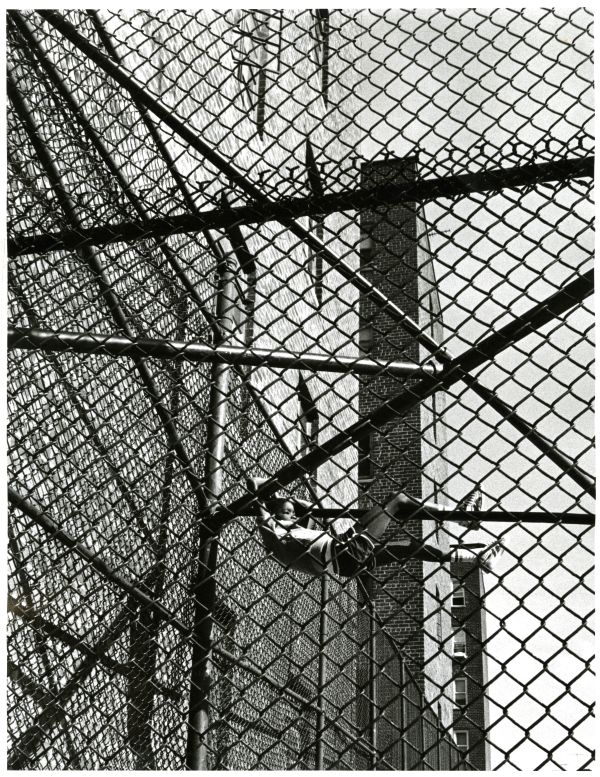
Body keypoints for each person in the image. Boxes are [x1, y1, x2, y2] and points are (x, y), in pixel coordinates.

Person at [248, 479, 503, 578]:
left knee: (410, 548)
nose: (293, 516)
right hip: (343, 551)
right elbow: (255, 486)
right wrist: (273, 499)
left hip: (345, 560)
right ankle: (460, 517)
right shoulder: (275, 534)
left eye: (293, 514)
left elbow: (309, 507)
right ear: (272, 515)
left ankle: (477, 558)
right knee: (397, 499)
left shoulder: (293, 534)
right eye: (287, 513)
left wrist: (289, 502)